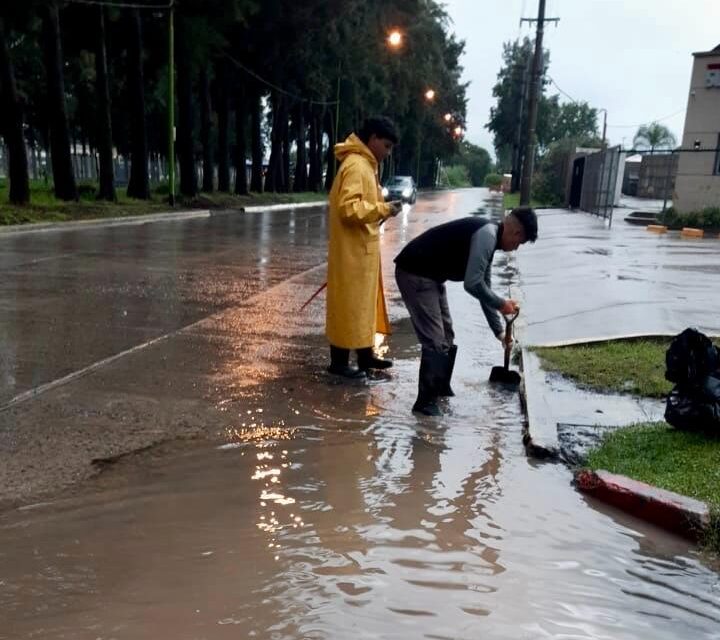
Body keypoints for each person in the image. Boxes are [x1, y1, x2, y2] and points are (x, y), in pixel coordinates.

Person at [394, 207, 538, 415]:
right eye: (519, 242)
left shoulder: (489, 238)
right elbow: (472, 284)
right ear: (515, 233)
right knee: (435, 340)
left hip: (432, 276)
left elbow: (483, 288)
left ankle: (440, 390)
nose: (516, 248)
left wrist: (499, 332)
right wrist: (501, 303)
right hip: (415, 273)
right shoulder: (486, 236)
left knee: (447, 335)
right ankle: (425, 404)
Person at [325, 116, 403, 378]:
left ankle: (365, 356)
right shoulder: (357, 166)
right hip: (352, 256)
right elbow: (349, 209)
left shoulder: (366, 165)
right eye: (387, 146)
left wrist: (385, 211)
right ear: (372, 139)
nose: (388, 153)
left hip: (361, 253)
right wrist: (382, 208)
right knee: (348, 308)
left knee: (362, 308)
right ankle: (339, 364)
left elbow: (362, 209)